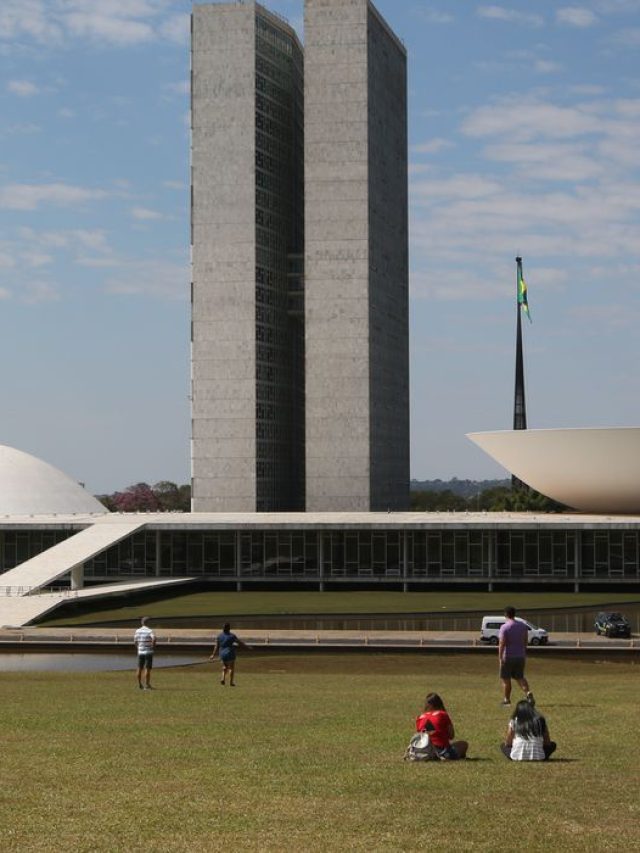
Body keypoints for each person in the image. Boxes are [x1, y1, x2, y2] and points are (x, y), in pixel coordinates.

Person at [498, 606, 535, 706]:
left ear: (506, 614)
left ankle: (507, 700)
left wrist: (500, 657)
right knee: (520, 677)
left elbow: (502, 643)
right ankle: (528, 693)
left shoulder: (504, 627)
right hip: (520, 656)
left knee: (506, 679)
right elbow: (525, 641)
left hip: (508, 656)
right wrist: (522, 651)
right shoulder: (523, 626)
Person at [415, 692, 468, 760]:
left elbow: (420, 736)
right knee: (463, 744)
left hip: (425, 750)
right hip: (442, 751)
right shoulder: (443, 714)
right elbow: (451, 735)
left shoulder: (420, 717)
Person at [134, 616, 156, 690]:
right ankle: (147, 685)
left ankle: (139, 684)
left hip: (140, 651)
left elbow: (135, 641)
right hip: (148, 651)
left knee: (139, 668)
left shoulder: (137, 631)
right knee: (147, 668)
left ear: (141, 622)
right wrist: (152, 646)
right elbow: (154, 638)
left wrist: (138, 647)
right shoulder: (150, 630)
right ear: (148, 623)